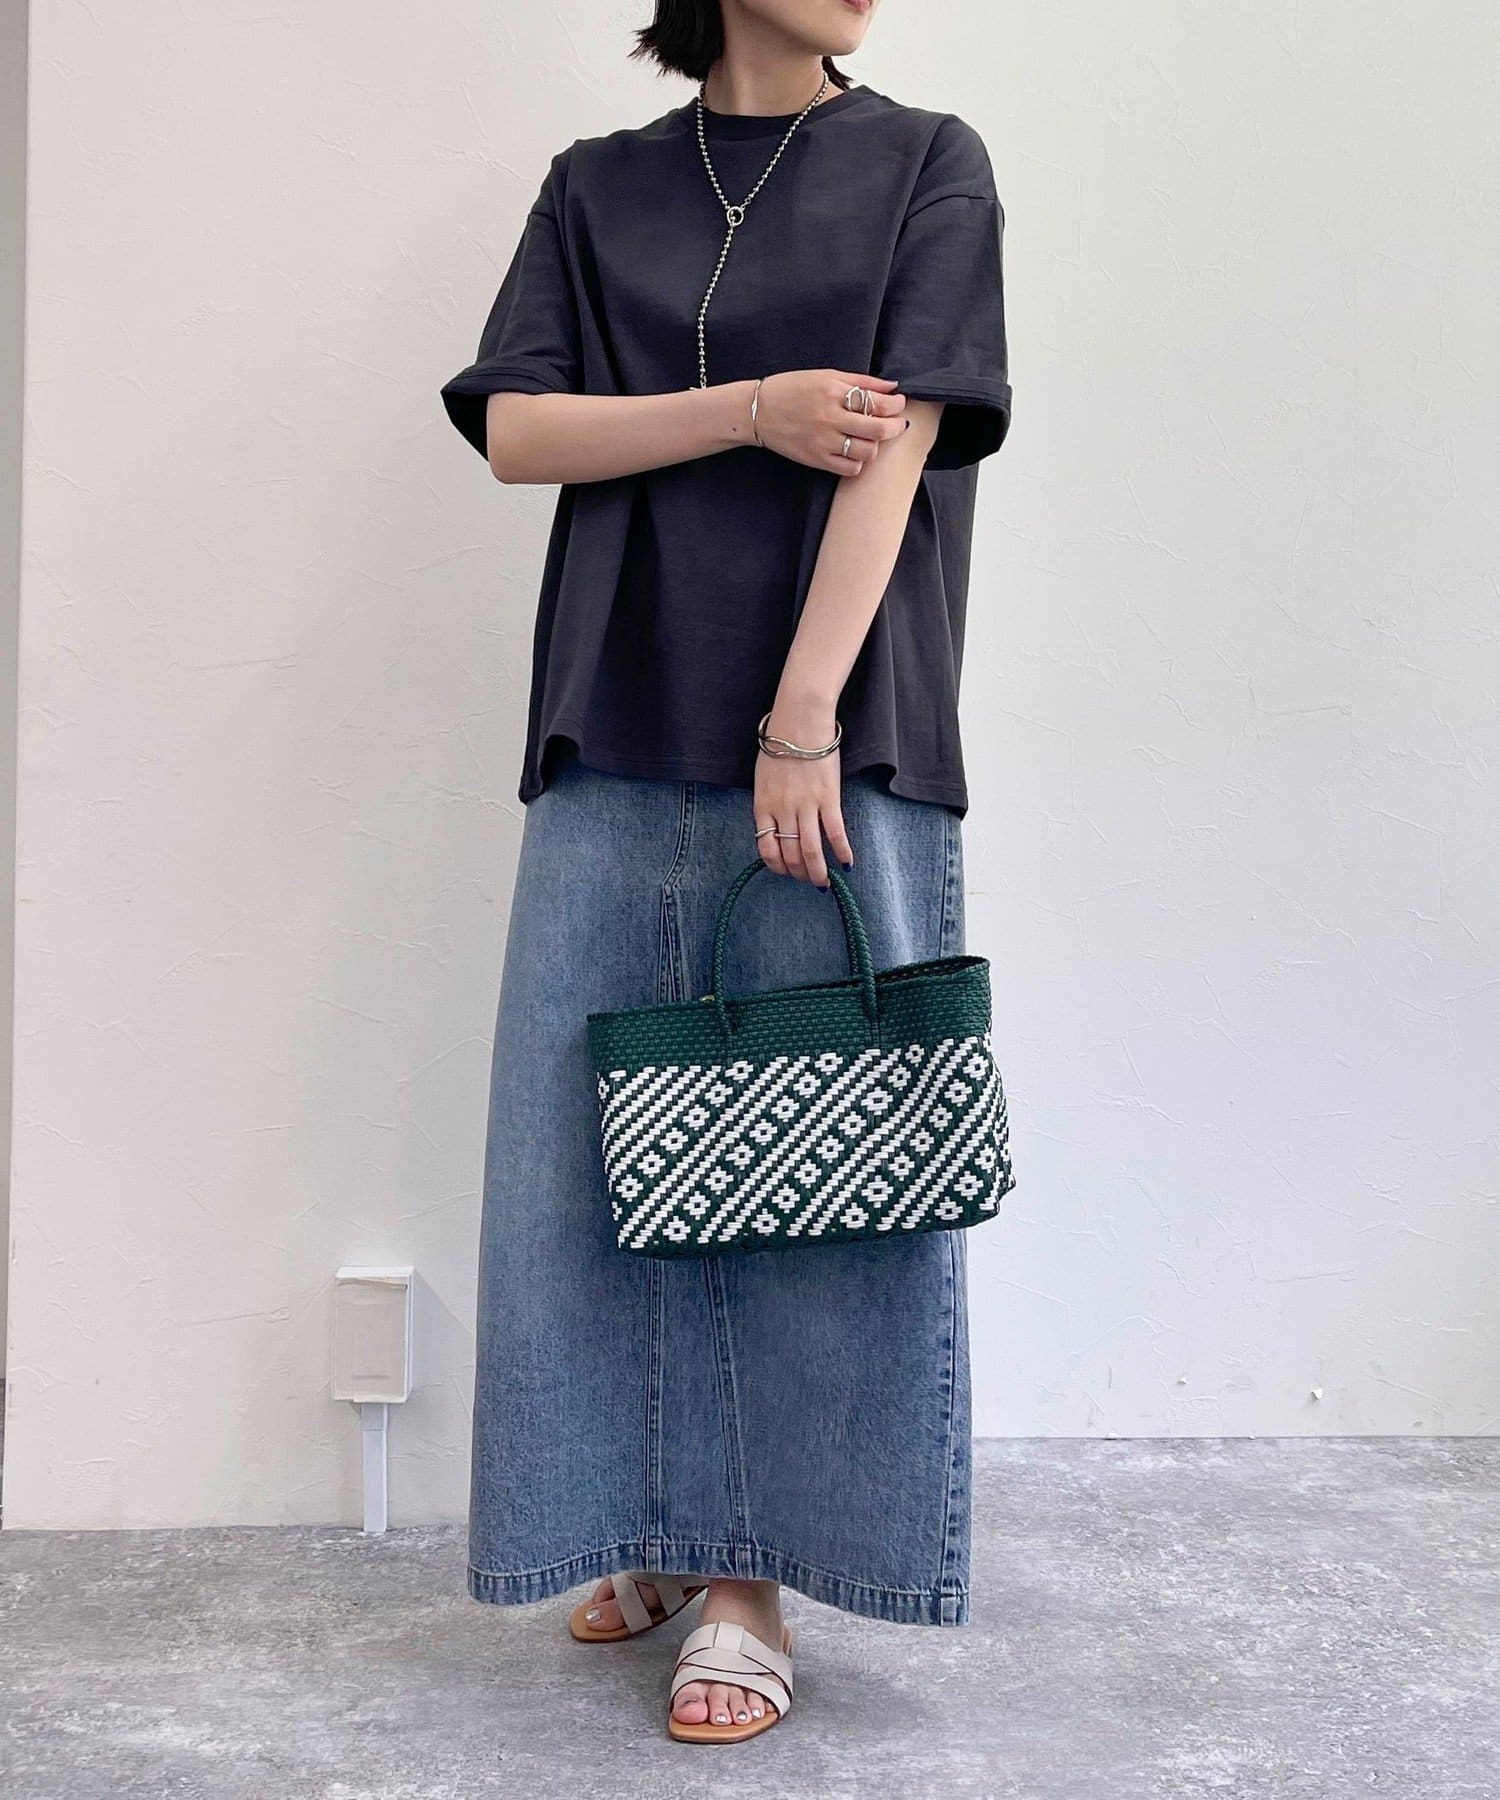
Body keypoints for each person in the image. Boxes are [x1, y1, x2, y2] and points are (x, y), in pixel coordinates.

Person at [440, 0, 1010, 1744]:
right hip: (615, 701)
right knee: (596, 1161)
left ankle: (752, 1576)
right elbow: (520, 430)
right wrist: (754, 408)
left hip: (836, 725)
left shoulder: (925, 163)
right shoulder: (597, 185)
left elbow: (901, 444)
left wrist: (803, 713)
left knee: (813, 1168)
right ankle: (652, 1519)